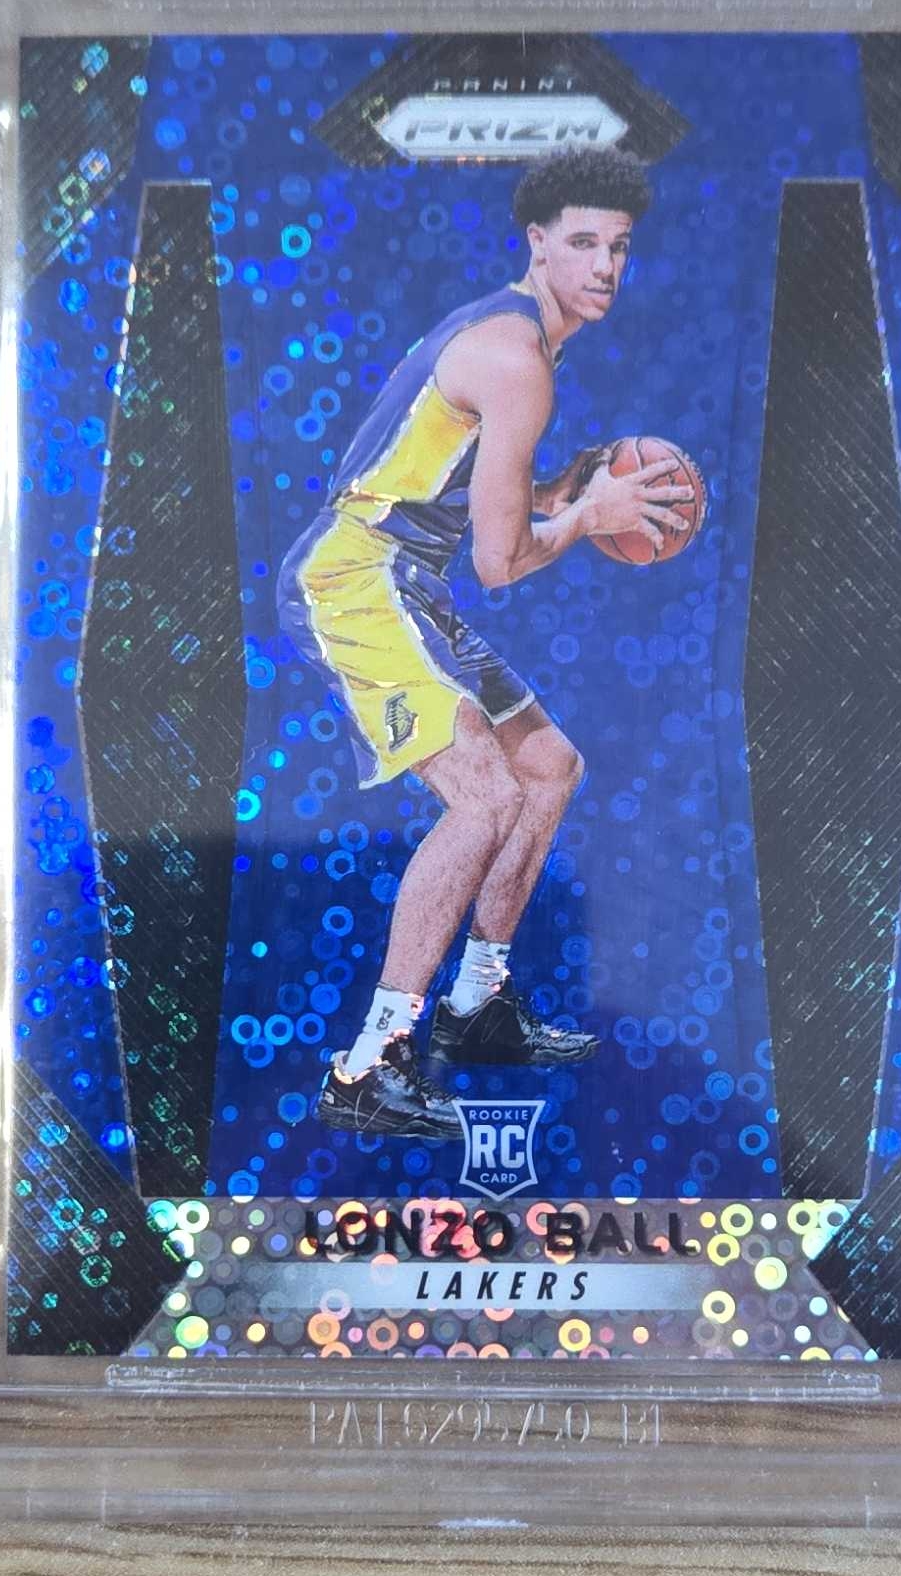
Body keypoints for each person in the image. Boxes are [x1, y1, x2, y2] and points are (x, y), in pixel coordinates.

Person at [277, 150, 692, 1139]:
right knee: (485, 798)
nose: (604, 266)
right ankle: (369, 1062)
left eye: (618, 248)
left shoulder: (519, 338)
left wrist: (563, 488)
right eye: (583, 243)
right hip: (356, 577)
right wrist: (588, 518)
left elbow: (457, 488)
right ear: (536, 244)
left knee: (547, 768)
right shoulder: (516, 360)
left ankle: (477, 1006)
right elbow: (501, 562)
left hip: (406, 569)